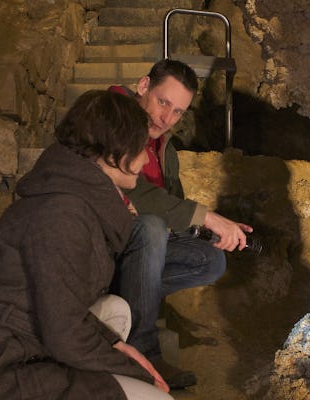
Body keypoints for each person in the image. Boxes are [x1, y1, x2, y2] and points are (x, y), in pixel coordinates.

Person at [0, 90, 173, 400]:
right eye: (140, 148)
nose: (146, 159)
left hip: (10, 352)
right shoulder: (62, 214)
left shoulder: (70, 196)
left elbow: (62, 305)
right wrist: (141, 375)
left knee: (116, 312)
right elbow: (65, 333)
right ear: (114, 154)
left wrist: (115, 347)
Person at [109, 59, 253, 389]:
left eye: (177, 111)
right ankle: (145, 354)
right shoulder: (111, 115)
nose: (165, 118)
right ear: (143, 87)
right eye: (163, 102)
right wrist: (207, 216)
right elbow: (137, 194)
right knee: (151, 228)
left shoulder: (164, 145)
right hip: (108, 237)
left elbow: (171, 199)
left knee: (211, 259)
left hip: (143, 246)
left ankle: (128, 294)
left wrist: (202, 230)